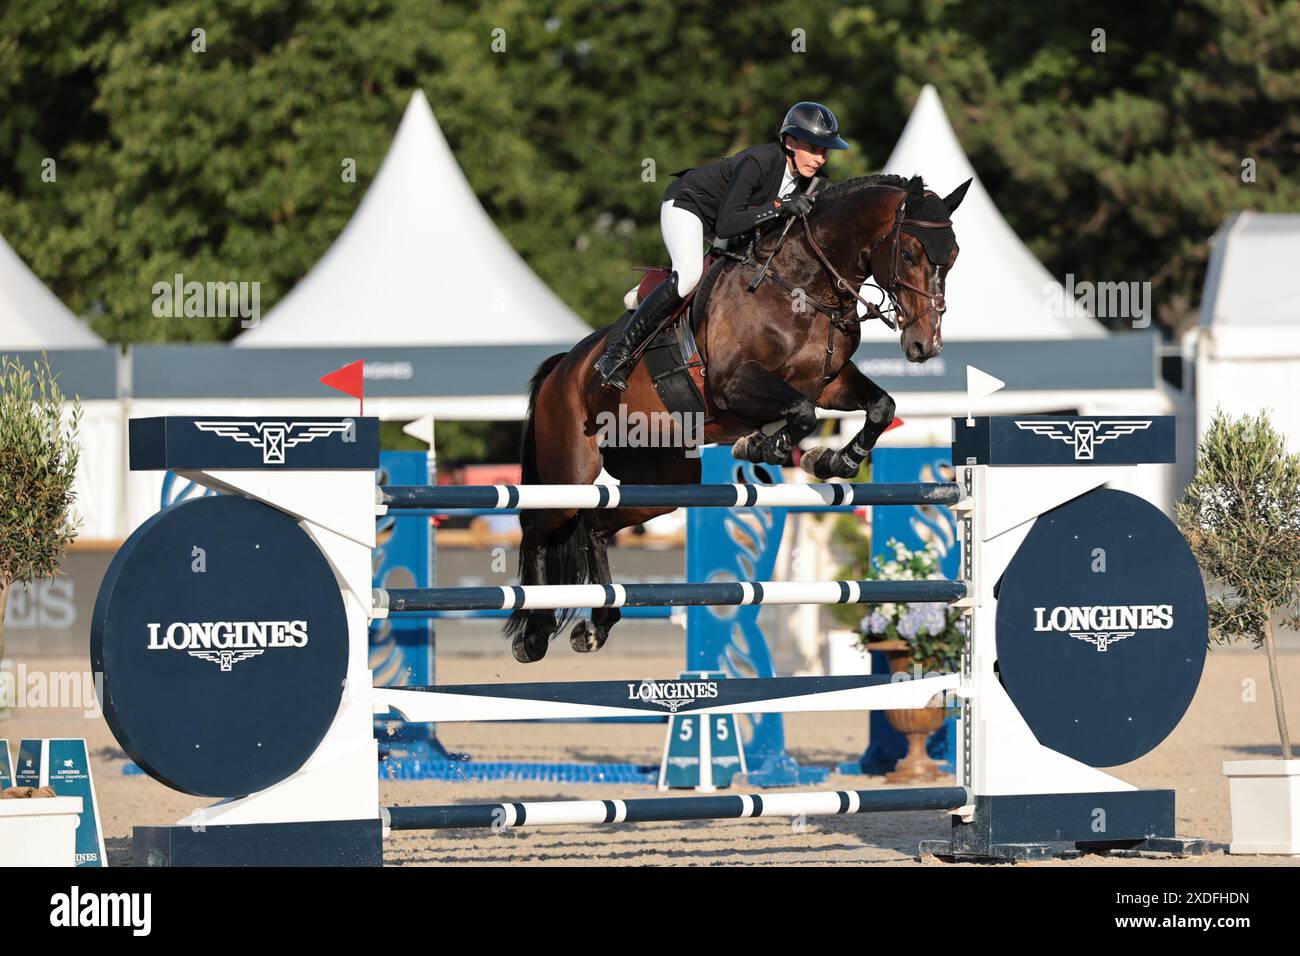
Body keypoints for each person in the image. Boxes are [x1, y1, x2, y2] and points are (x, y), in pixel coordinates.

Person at [594, 102, 851, 391]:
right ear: (790, 142)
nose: (820, 159)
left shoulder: (816, 182)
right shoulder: (758, 161)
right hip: (690, 206)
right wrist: (779, 207)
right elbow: (728, 223)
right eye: (814, 148)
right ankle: (617, 354)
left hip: (736, 222)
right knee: (690, 274)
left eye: (825, 151)